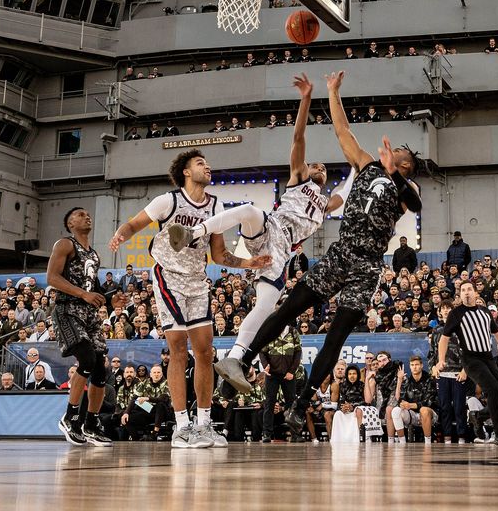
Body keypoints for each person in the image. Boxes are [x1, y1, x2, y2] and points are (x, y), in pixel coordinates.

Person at [211, 72, 420, 434]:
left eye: (398, 155)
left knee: (335, 337)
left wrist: (396, 175)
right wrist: (332, 91)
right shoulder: (367, 164)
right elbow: (342, 132)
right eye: (392, 152)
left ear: (404, 164)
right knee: (287, 308)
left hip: (366, 266)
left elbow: (414, 203)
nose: (392, 152)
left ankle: (302, 402)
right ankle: (239, 362)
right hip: (341, 253)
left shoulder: (407, 186)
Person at [166, 75, 346, 393]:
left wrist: (361, 166)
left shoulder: (326, 205)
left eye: (323, 168)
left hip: (279, 254)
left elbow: (346, 190)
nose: (318, 167)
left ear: (326, 178)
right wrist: (306, 99)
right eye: (314, 164)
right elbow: (298, 138)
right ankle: (194, 232)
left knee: (265, 308)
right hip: (268, 230)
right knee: (249, 211)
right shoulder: (300, 177)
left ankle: (235, 359)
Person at [108, 149, 270, 448]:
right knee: (178, 348)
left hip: (197, 281)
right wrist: (120, 235)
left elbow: (219, 254)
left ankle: (204, 423)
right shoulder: (168, 201)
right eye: (200, 164)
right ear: (185, 171)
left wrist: (250, 263)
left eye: (208, 163)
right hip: (168, 276)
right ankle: (181, 426)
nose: (207, 167)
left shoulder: (216, 206)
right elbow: (133, 223)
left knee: (206, 352)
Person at [48, 207, 112, 447]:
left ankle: (92, 424)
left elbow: (94, 286)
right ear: (70, 223)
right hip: (68, 309)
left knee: (100, 370)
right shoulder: (65, 244)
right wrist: (84, 294)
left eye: (88, 214)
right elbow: (52, 278)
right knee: (86, 360)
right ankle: (71, 417)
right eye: (80, 214)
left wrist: (110, 298)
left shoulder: (94, 255)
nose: (87, 216)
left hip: (89, 313)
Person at [433, 281, 498, 445]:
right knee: (492, 389)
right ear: (460, 294)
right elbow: (444, 339)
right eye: (463, 290)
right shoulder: (456, 314)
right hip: (471, 359)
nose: (466, 293)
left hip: (487, 357)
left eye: (469, 289)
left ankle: (478, 416)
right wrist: (441, 360)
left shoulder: (485, 312)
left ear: (475, 293)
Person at [429, 302, 467, 443]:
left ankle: (462, 437)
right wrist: (433, 367)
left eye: (448, 308)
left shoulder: (462, 329)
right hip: (442, 374)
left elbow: (469, 352)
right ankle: (447, 438)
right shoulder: (437, 331)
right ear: (439, 312)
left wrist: (465, 370)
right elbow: (432, 353)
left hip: (459, 374)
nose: (445, 311)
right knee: (444, 407)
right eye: (442, 309)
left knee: (459, 407)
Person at [391, 356, 437, 442]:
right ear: (410, 366)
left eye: (417, 364)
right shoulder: (407, 381)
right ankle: (402, 441)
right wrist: (402, 403)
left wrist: (410, 405)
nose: (414, 367)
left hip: (430, 415)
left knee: (424, 410)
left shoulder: (430, 379)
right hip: (412, 415)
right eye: (412, 365)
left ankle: (428, 442)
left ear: (422, 365)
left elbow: (429, 402)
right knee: (395, 410)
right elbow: (400, 399)